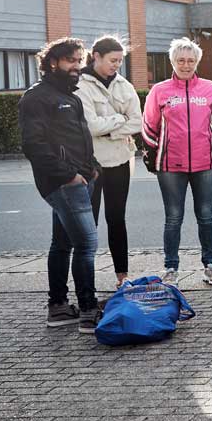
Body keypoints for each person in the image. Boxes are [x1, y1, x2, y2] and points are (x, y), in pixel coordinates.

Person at [19, 37, 102, 334]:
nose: (76, 66)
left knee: (63, 243)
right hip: (65, 184)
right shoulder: (37, 98)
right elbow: (34, 145)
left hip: (80, 179)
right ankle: (89, 311)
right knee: (86, 245)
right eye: (70, 61)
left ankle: (58, 308)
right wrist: (69, 175)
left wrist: (92, 168)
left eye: (79, 61)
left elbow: (79, 137)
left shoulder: (71, 96)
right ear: (53, 62)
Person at [143, 37, 212, 286]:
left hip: (206, 163)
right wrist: (150, 152)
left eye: (191, 60)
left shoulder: (210, 88)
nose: (186, 65)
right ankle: (171, 268)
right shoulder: (159, 91)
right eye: (181, 60)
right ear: (173, 61)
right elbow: (149, 124)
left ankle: (210, 265)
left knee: (206, 215)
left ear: (197, 62)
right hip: (170, 165)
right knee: (173, 217)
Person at [74, 35, 140, 287]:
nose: (117, 65)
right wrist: (120, 120)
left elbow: (138, 121)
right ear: (96, 57)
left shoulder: (124, 85)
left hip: (120, 161)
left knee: (117, 219)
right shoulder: (81, 85)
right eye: (113, 60)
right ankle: (86, 282)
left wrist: (109, 129)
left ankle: (122, 276)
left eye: (120, 61)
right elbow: (90, 126)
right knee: (88, 224)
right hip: (91, 164)